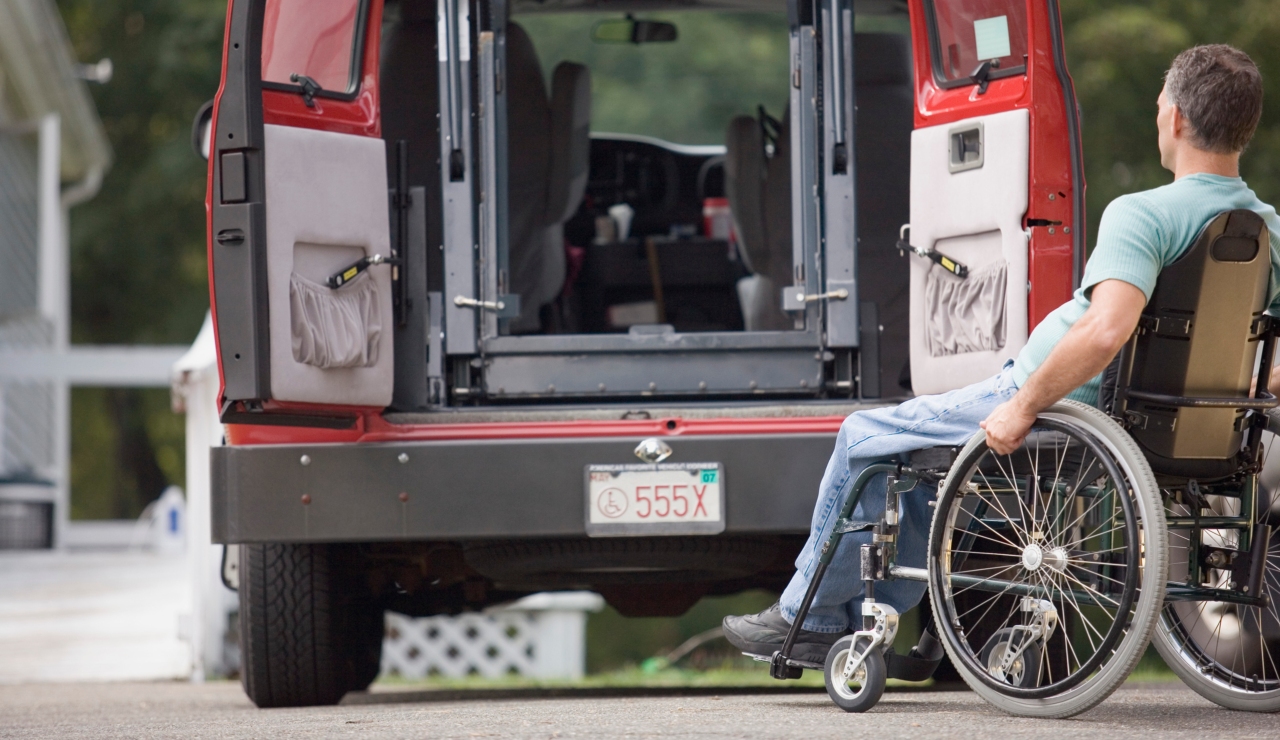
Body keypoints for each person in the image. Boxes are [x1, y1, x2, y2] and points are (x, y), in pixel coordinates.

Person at [724, 44, 1280, 664]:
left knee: (863, 436)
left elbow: (1104, 332)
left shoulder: (1144, 215)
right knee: (907, 463)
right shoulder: (1266, 228)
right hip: (1179, 423)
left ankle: (809, 616)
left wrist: (1023, 404)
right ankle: (853, 616)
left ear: (1174, 118)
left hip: (1067, 402)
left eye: (1158, 109)